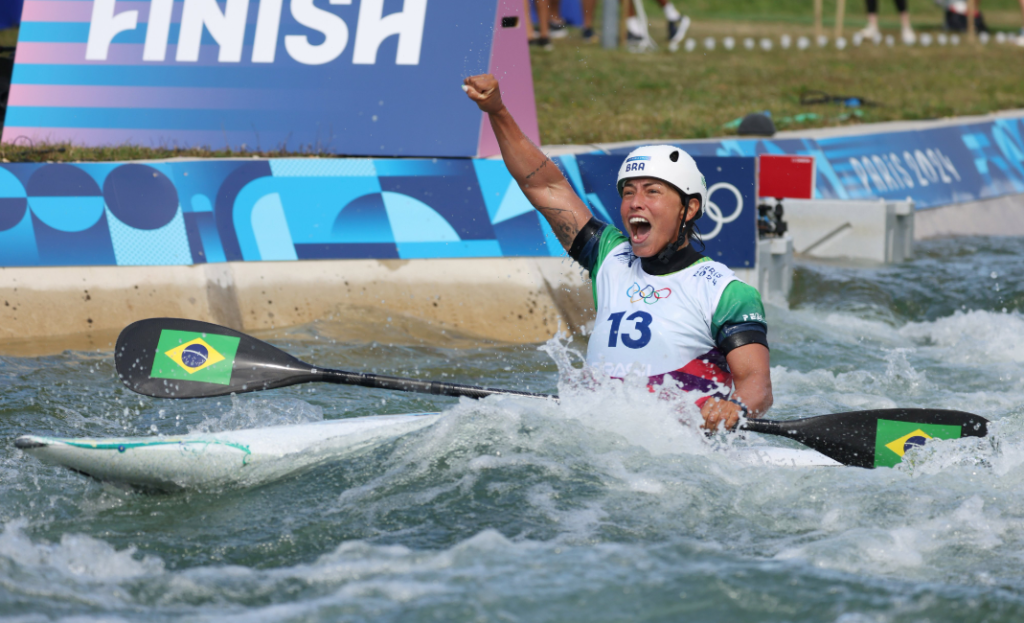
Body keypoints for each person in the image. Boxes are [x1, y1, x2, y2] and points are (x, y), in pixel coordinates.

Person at [462, 74, 773, 432]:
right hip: (603, 443)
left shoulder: (725, 292)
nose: (635, 203)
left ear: (689, 209)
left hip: (688, 451)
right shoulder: (608, 255)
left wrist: (734, 407)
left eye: (652, 191)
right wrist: (497, 110)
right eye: (628, 192)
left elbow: (757, 386)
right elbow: (542, 183)